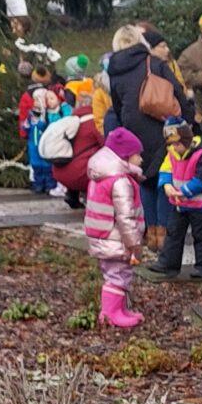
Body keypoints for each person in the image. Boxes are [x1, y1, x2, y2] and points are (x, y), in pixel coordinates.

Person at [104, 24, 190, 239]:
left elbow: (116, 105)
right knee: (164, 178)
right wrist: (189, 121)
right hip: (161, 127)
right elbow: (177, 93)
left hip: (134, 130)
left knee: (145, 179)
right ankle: (165, 235)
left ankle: (151, 234)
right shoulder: (155, 62)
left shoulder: (114, 70)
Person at [86, 127, 146, 330]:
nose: (141, 159)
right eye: (138, 155)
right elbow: (125, 217)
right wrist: (134, 244)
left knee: (115, 273)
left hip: (104, 236)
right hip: (116, 238)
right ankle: (111, 314)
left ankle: (117, 310)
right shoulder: (120, 182)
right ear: (125, 156)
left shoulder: (101, 176)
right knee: (118, 274)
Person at [148, 118, 202, 282]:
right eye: (171, 144)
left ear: (186, 140)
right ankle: (168, 263)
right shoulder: (172, 152)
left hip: (201, 205)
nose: (174, 148)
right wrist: (166, 185)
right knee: (173, 233)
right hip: (180, 204)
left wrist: (183, 191)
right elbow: (165, 169)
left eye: (177, 144)